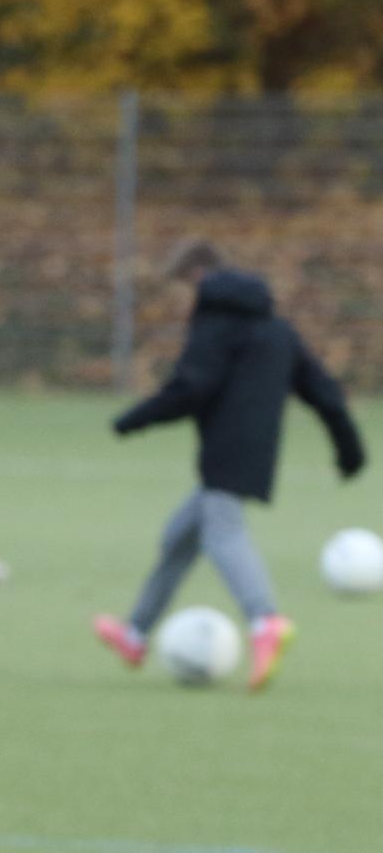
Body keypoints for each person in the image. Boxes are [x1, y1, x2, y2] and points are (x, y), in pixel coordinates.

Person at [93, 238, 366, 691]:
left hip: (225, 449)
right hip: (256, 448)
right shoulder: (278, 329)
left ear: (198, 276)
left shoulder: (216, 323)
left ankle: (265, 621)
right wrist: (349, 450)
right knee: (179, 537)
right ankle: (135, 635)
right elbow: (325, 393)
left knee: (223, 534)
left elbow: (190, 387)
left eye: (187, 287)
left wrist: (134, 419)